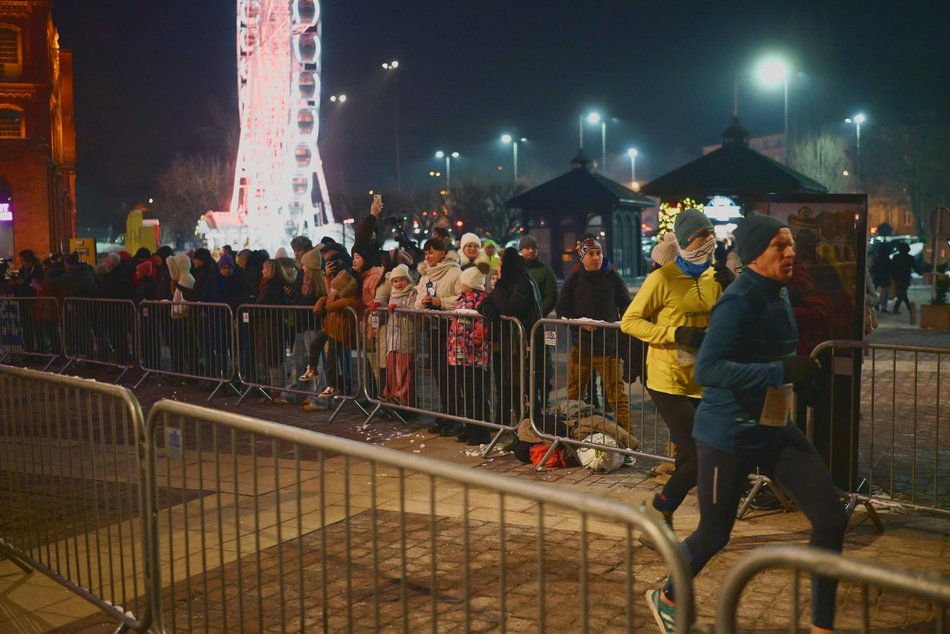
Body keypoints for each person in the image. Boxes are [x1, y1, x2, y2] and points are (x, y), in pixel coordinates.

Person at [645, 214, 847, 634]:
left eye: (791, 245)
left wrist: (802, 380)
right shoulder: (738, 300)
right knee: (714, 534)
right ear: (755, 254)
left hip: (773, 427)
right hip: (728, 434)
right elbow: (710, 369)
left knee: (830, 518)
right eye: (779, 246)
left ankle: (822, 627)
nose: (790, 253)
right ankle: (667, 595)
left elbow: (770, 352)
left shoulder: (780, 293)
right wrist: (780, 371)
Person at [621, 209, 721, 533]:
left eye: (711, 234)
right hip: (668, 381)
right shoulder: (662, 278)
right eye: (702, 235)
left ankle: (686, 523)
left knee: (689, 458)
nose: (709, 241)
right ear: (687, 240)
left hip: (702, 380)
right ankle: (658, 509)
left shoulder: (714, 277)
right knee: (701, 454)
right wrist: (675, 333)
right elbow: (629, 322)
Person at [556, 238, 638, 449]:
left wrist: (619, 328)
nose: (596, 258)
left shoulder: (612, 278)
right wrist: (578, 324)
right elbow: (562, 310)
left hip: (608, 349)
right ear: (582, 258)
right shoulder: (574, 280)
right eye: (591, 254)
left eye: (598, 253)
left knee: (618, 398)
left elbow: (626, 305)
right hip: (581, 349)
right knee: (574, 396)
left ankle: (627, 442)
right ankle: (572, 438)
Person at [479, 246, 543, 430]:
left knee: (522, 389)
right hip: (508, 345)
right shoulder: (508, 283)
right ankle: (509, 426)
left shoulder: (523, 283)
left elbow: (508, 309)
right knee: (507, 386)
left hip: (522, 345)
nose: (498, 267)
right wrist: (489, 309)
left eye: (501, 263)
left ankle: (528, 430)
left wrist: (498, 291)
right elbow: (483, 305)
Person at [415, 237, 462, 436]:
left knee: (450, 375)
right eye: (426, 253)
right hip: (432, 329)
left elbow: (461, 298)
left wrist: (440, 302)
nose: (428, 256)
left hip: (450, 329)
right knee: (439, 374)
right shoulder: (426, 275)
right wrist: (425, 302)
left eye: (432, 252)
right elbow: (417, 300)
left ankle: (456, 416)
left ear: (442, 253)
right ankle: (445, 412)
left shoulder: (454, 272)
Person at [447, 266, 491, 445]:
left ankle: (481, 430)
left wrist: (471, 342)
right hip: (460, 353)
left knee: (476, 393)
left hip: (473, 355)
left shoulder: (481, 300)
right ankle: (470, 426)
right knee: (467, 392)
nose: (459, 283)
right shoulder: (463, 298)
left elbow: (483, 326)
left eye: (462, 281)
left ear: (471, 283)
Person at [382, 264, 418, 406]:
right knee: (392, 368)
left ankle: (404, 399)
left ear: (407, 280)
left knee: (404, 370)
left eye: (401, 280)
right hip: (393, 337)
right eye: (395, 281)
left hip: (406, 336)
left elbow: (414, 309)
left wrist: (399, 309)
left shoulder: (412, 292)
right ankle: (390, 396)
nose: (398, 284)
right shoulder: (393, 293)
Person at [890, 242, 917, 314]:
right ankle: (898, 308)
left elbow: (892, 268)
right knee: (902, 293)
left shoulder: (896, 257)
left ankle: (908, 308)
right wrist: (921, 272)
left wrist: (893, 277)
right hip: (905, 278)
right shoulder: (910, 258)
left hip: (897, 278)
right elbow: (915, 267)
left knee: (903, 293)